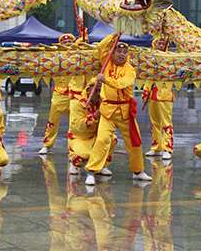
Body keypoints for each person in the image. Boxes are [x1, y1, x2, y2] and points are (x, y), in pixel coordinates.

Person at [84, 34, 151, 185]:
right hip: (107, 111)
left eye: (125, 53)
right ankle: (91, 171)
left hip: (125, 112)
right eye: (118, 51)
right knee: (101, 140)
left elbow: (122, 83)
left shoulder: (130, 70)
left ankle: (138, 170)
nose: (122, 54)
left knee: (134, 142)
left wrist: (105, 80)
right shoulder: (106, 63)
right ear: (112, 53)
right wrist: (115, 34)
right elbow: (101, 46)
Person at [39, 25, 89, 155]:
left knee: (74, 122)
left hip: (75, 94)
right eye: (65, 43)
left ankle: (73, 148)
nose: (67, 45)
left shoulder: (77, 56)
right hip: (59, 94)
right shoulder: (57, 57)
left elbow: (84, 42)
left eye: (70, 43)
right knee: (53, 120)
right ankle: (47, 145)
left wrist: (82, 29)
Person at [68, 81, 117, 176]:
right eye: (95, 91)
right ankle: (73, 161)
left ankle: (103, 165)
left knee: (113, 139)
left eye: (100, 90)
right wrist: (95, 116)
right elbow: (78, 126)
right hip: (79, 137)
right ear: (88, 91)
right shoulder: (76, 103)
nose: (98, 94)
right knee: (86, 155)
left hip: (96, 136)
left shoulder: (104, 103)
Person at [143, 37, 175, 160]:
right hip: (153, 95)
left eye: (163, 43)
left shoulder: (171, 59)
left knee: (166, 123)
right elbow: (148, 77)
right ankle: (156, 147)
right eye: (159, 43)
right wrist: (145, 93)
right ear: (154, 44)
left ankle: (167, 148)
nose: (161, 45)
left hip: (165, 94)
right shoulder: (151, 59)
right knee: (154, 123)